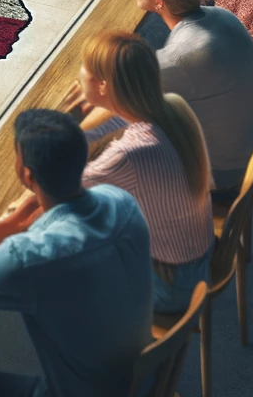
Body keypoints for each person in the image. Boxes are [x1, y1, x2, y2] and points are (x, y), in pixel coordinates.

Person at [0, 109, 152, 397]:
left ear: (26, 174)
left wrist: (9, 225)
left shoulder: (31, 258)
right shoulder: (121, 201)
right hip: (142, 379)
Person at [68, 31, 214, 315]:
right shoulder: (171, 106)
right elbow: (98, 130)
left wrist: (71, 119)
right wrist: (84, 117)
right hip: (196, 261)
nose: (79, 74)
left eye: (83, 67)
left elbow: (59, 182)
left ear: (103, 84)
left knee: (62, 260)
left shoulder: (127, 155)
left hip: (170, 287)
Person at [129, 0, 253, 195]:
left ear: (158, 0)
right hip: (243, 150)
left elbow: (120, 106)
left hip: (216, 178)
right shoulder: (223, 17)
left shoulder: (178, 59)